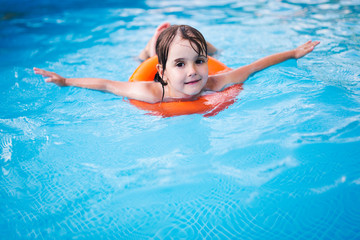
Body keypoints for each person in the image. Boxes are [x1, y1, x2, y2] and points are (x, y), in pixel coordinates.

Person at [33, 23, 320, 104]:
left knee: (200, 47)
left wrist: (293, 53)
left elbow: (256, 65)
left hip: (166, 61)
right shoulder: (153, 92)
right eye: (180, 65)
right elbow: (108, 85)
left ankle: (196, 44)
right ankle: (151, 46)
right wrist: (66, 81)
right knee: (143, 58)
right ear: (164, 73)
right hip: (152, 64)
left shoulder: (216, 81)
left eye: (199, 61)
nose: (193, 71)